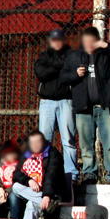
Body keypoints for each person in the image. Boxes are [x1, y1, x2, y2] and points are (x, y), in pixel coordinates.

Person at [61, 26, 110, 185]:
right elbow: (63, 77)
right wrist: (75, 74)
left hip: (104, 107)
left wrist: (106, 46)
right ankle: (89, 174)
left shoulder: (107, 55)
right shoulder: (75, 56)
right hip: (84, 108)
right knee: (86, 145)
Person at [34, 28, 77, 186]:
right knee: (44, 141)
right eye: (54, 39)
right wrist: (61, 67)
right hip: (47, 102)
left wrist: (52, 67)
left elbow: (71, 67)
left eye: (59, 39)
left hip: (66, 101)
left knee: (68, 139)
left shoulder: (71, 54)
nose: (56, 42)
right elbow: (40, 72)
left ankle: (71, 174)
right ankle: (41, 171)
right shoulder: (44, 56)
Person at [11, 131, 66, 219]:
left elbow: (52, 176)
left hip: (53, 192)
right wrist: (28, 181)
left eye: (37, 142)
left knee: (32, 203)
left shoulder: (53, 154)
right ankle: (49, 203)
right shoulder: (27, 154)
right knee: (16, 187)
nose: (35, 145)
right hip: (34, 191)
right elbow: (16, 173)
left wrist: (47, 195)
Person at [0, 142, 21, 219]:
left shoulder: (19, 165)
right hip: (1, 191)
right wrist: (0, 189)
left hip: (13, 191)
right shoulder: (0, 165)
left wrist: (7, 192)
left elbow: (19, 181)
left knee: (14, 197)